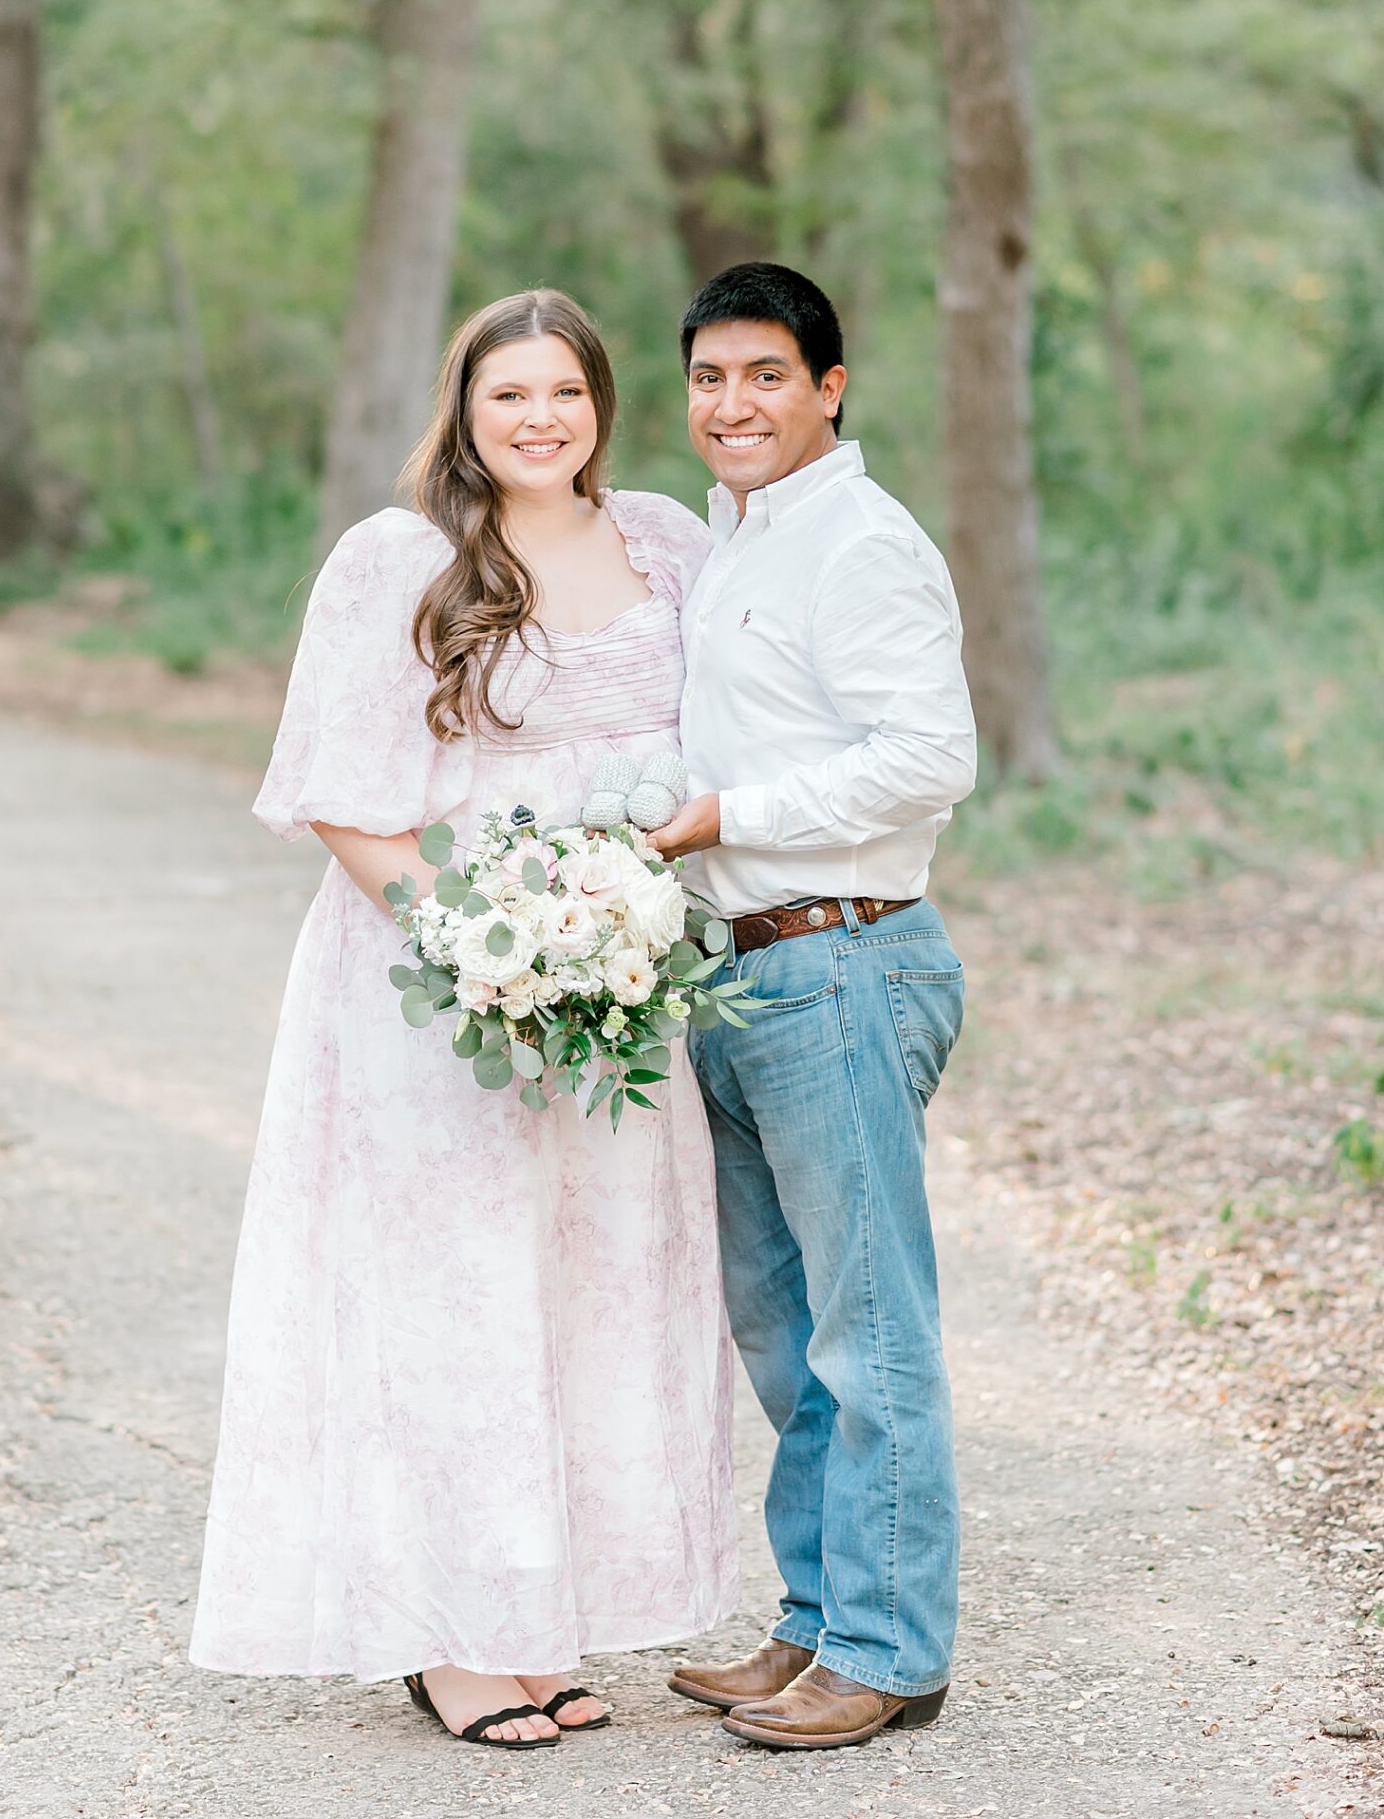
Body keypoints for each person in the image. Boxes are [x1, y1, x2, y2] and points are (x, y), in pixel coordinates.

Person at [190, 288, 738, 1748]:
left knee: (592, 1286)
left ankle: (540, 1623)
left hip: (619, 983)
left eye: (564, 392)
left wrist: (610, 934)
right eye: (509, 397)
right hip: (436, 989)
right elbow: (338, 796)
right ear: (465, 409)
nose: (539, 419)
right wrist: (478, 946)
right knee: (456, 1293)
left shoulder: (670, 544)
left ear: (601, 406)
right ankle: (448, 1637)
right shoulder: (398, 563)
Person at [648, 260, 978, 1752]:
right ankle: (814, 1622)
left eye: (765, 376)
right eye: (711, 378)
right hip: (743, 971)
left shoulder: (858, 541)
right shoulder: (734, 536)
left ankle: (891, 1650)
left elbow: (929, 759)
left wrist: (729, 815)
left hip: (840, 956)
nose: (733, 404)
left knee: (867, 1328)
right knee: (782, 1333)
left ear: (827, 388)